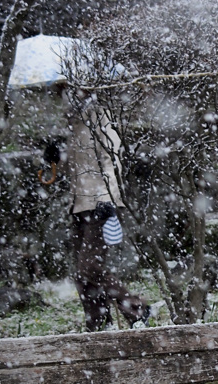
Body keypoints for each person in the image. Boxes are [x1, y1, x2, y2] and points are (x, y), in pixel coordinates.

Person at [43, 82, 150, 331]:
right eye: (61, 91)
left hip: (99, 203)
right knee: (82, 275)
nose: (65, 96)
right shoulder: (74, 120)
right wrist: (57, 156)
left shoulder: (100, 116)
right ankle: (99, 326)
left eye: (68, 89)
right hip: (79, 204)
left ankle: (135, 307)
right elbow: (81, 164)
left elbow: (111, 159)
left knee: (89, 266)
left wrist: (108, 199)